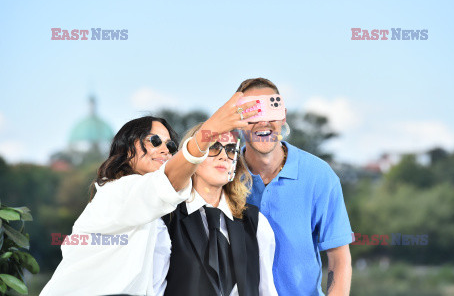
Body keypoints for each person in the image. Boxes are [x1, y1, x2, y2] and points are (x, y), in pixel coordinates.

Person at [40, 92, 259, 296]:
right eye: (154, 141)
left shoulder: (160, 216)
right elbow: (166, 183)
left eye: (170, 145)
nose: (165, 149)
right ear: (127, 149)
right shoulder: (117, 193)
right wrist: (209, 131)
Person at [236, 78, 353, 296]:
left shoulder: (319, 175)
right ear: (237, 121)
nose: (263, 122)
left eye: (271, 111)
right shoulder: (223, 174)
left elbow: (339, 258)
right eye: (252, 114)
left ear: (283, 116)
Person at [153, 124, 277, 296]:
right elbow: (153, 290)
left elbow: (267, 290)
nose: (224, 156)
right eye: (213, 147)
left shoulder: (256, 222)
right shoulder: (165, 219)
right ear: (190, 156)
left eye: (231, 150)